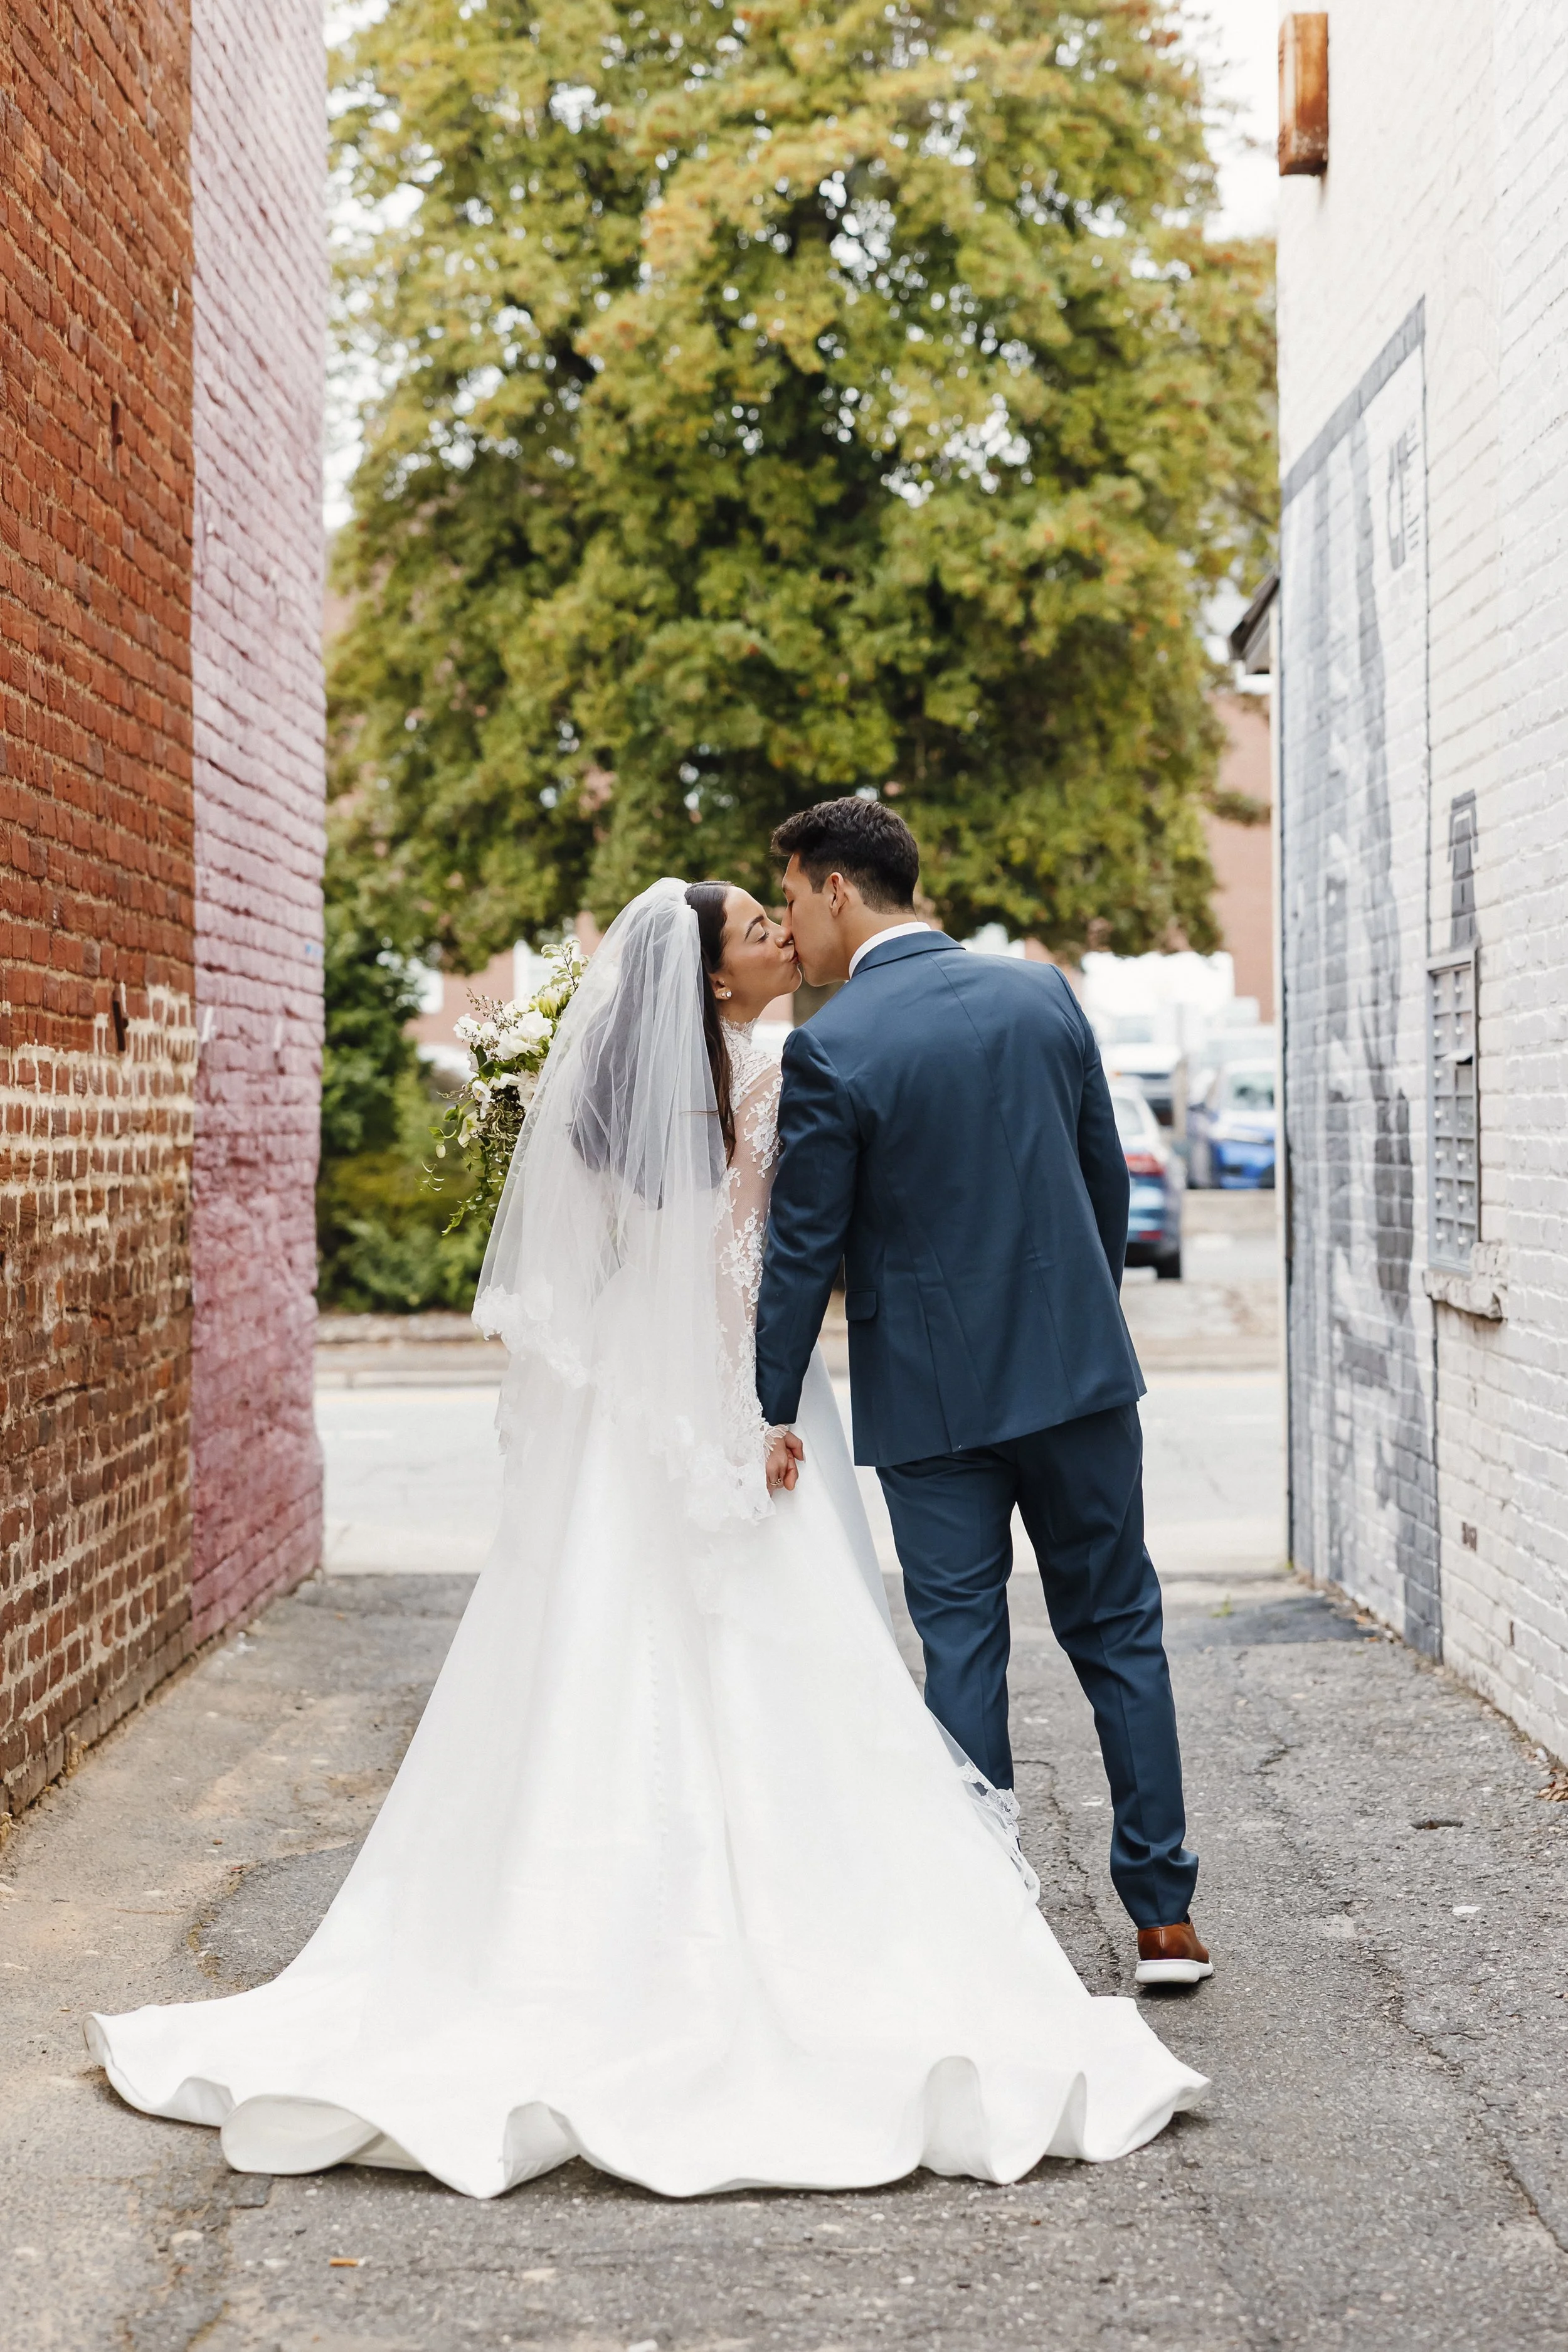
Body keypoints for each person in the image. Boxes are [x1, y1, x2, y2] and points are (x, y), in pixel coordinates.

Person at [88, 877, 1203, 2201]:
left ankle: (585, 1923)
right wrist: (760, 1410)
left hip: (632, 1394)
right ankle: (1079, 1912)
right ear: (717, 985)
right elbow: (759, 1253)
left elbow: (685, 1254)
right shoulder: (785, 1068)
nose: (784, 934)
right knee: (850, 1645)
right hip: (727, 1384)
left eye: (784, 911)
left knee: (613, 1646)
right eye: (757, 929)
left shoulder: (701, 1080)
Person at [756, 798, 1212, 1990]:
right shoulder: (1043, 997)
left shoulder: (835, 1045)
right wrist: (1077, 1316)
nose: (793, 921)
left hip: (936, 1404)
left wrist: (769, 1401)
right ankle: (1165, 1920)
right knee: (1121, 1630)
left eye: (794, 895)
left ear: (838, 890)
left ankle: (988, 1920)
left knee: (963, 1645)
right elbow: (1101, 1176)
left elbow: (807, 1248)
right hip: (1078, 1377)